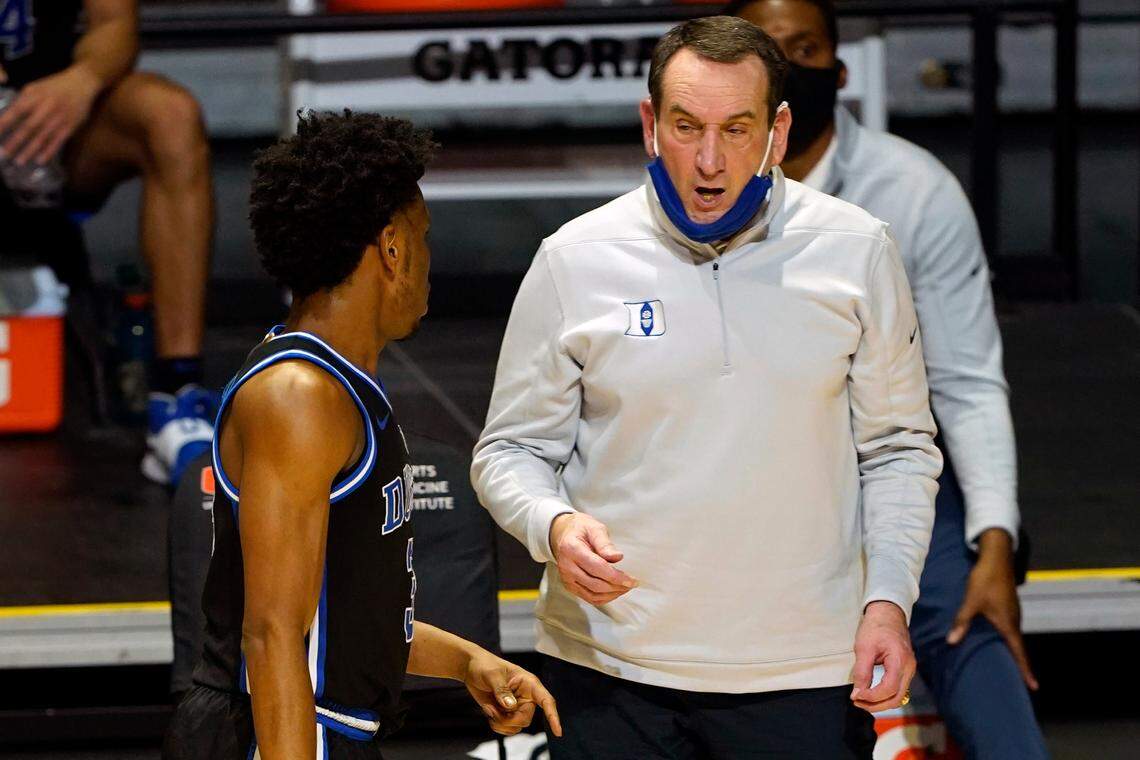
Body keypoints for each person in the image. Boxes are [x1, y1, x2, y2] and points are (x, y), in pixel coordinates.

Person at [472, 16, 941, 759]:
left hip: (802, 670)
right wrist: (553, 526)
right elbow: (509, 451)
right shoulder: (575, 259)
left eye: (738, 128)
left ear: (778, 132)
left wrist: (887, 601)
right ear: (650, 125)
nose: (710, 161)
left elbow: (898, 450)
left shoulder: (858, 252)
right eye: (687, 127)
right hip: (608, 669)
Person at [163, 111, 560, 760]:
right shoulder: (298, 396)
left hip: (321, 726)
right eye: (423, 235)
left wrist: (464, 662)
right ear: (392, 247)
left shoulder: (332, 387)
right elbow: (271, 637)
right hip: (279, 734)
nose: (431, 258)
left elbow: (341, 617)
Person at [727, 2, 1049, 757]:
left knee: (989, 675)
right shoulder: (694, 189)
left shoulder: (915, 193)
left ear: (838, 72)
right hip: (749, 499)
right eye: (766, 49)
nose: (786, 66)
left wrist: (995, 542)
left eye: (803, 49)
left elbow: (966, 381)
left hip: (896, 486)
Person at [0, 0, 214, 486]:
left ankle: (176, 394)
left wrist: (82, 80)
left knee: (170, 114)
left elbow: (114, 24)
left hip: (52, 129)